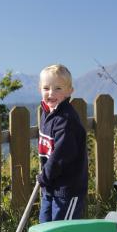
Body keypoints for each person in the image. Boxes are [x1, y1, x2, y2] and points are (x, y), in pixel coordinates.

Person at [36, 64, 88, 223]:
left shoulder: (66, 121)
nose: (51, 93)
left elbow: (60, 156)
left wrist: (45, 176)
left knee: (62, 231)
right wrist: (46, 178)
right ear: (40, 89)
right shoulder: (47, 113)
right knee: (45, 226)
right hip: (50, 186)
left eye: (58, 88)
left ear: (69, 91)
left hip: (67, 190)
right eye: (46, 88)